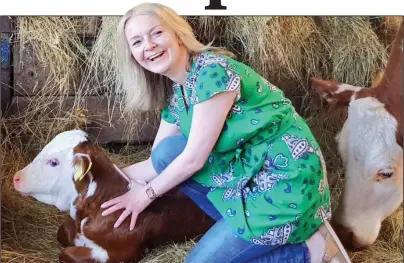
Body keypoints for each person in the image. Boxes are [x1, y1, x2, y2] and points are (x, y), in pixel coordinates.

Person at [100, 3, 351, 263]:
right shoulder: (179, 92)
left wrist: (146, 194)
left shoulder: (212, 71)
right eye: (137, 41)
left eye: (156, 33)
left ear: (177, 34)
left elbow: (193, 159)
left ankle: (309, 251)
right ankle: (250, 235)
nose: (149, 45)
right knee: (167, 154)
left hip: (282, 179)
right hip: (247, 174)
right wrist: (97, 184)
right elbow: (157, 161)